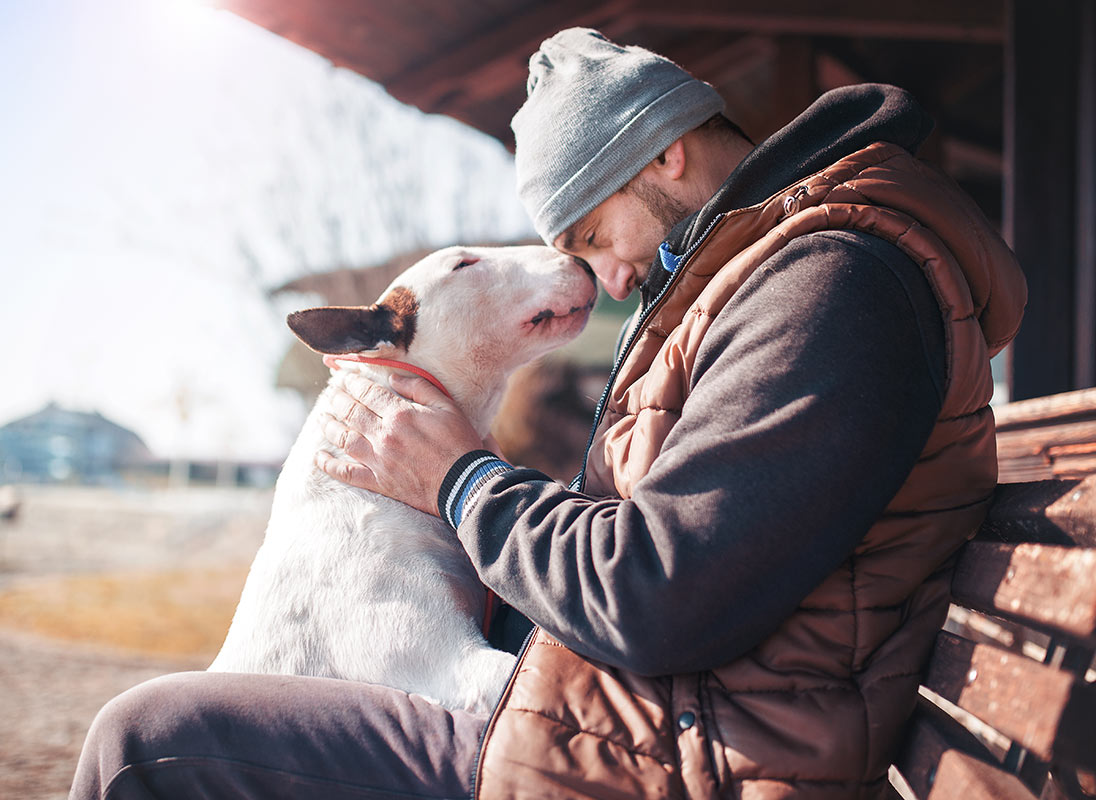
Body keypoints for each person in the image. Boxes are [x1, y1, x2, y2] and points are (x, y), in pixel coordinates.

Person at [70, 28, 1026, 800]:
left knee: (147, 741)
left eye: (593, 234)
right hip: (639, 715)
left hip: (679, 759)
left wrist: (460, 479)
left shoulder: (831, 287)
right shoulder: (769, 282)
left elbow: (656, 593)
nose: (605, 276)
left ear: (667, 152)